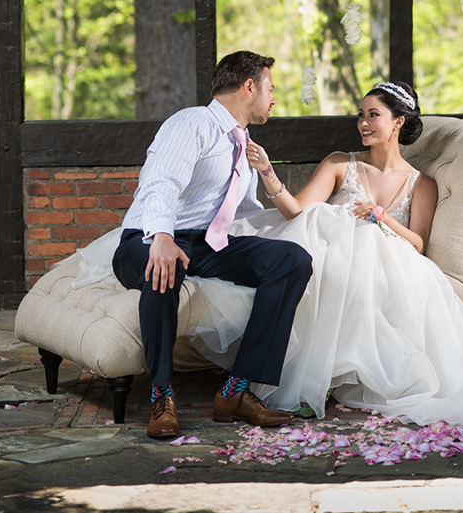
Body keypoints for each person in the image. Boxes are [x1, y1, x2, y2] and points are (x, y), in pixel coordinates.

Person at [186, 80, 463, 426]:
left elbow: (417, 244)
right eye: (360, 116)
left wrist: (382, 218)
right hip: (325, 255)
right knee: (332, 220)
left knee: (368, 236)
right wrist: (268, 171)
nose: (363, 124)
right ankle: (311, 379)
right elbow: (297, 210)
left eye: (373, 115)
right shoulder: (340, 163)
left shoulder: (422, 183)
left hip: (385, 264)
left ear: (398, 122)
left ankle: (332, 377)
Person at [112, 50, 313, 439]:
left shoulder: (243, 142)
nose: (274, 98)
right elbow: (161, 182)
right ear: (249, 86)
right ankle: (161, 395)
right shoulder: (192, 123)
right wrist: (163, 238)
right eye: (270, 88)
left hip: (207, 243)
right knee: (164, 269)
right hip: (146, 236)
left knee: (292, 261)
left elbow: (241, 211)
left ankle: (236, 391)